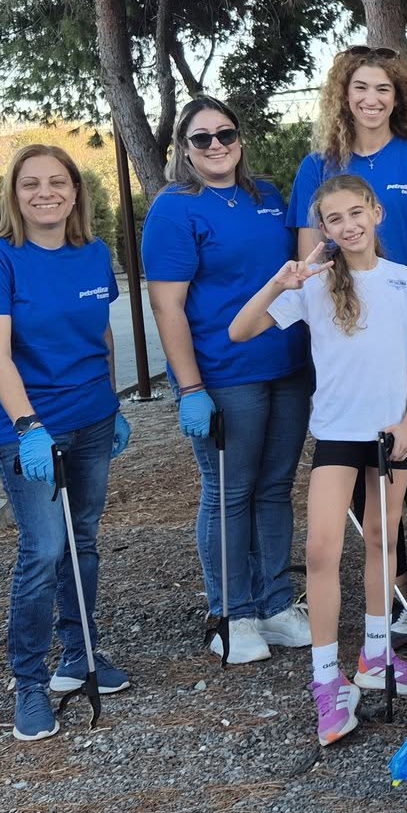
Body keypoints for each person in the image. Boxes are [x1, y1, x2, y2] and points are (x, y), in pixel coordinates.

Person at [231, 175, 407, 746]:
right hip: (338, 435)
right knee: (321, 551)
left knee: (382, 540)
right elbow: (239, 330)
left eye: (356, 212)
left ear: (376, 212)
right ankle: (327, 679)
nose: (349, 226)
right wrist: (279, 283)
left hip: (390, 435)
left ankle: (376, 655)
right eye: (335, 219)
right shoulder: (314, 283)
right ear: (322, 229)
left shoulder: (402, 281)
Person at [289, 45, 407, 648]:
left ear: (399, 96)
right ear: (344, 94)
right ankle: (391, 609)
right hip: (347, 340)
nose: (371, 99)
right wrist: (355, 315)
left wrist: (390, 312)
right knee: (374, 493)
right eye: (360, 87)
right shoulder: (318, 165)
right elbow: (313, 262)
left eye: (383, 88)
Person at [0, 145, 133, 741]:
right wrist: (29, 427)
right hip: (27, 429)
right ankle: (29, 682)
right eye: (30, 183)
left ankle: (78, 655)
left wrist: (112, 404)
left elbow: (101, 337)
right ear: (13, 194)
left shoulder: (93, 254)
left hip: (92, 420)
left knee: (82, 539)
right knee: (43, 548)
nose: (45, 193)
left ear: (76, 190)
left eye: (57, 181)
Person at [143, 96, 312, 666]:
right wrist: (190, 388)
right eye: (201, 138)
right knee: (229, 492)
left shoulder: (268, 196)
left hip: (287, 366)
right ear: (184, 149)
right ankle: (231, 613)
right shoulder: (174, 209)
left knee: (275, 488)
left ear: (239, 139)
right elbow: (167, 306)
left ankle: (274, 604)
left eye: (226, 134)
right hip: (223, 373)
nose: (216, 145)